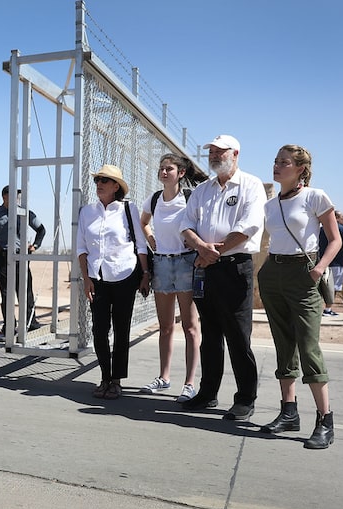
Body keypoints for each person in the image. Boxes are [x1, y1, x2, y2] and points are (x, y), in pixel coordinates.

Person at [258, 144, 339, 449]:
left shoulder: (315, 197)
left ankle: (325, 419)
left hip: (303, 274)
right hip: (273, 272)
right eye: (275, 161)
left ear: (300, 168)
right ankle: (289, 412)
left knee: (308, 346)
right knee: (283, 343)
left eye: (284, 162)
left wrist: (319, 268)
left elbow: (333, 239)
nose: (277, 166)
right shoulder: (270, 205)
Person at [179, 135, 265, 420]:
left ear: (235, 153)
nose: (214, 156)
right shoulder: (203, 190)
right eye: (211, 152)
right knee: (211, 334)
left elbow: (249, 226)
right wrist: (202, 248)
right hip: (204, 267)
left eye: (220, 151)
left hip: (234, 267)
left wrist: (214, 251)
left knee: (238, 335)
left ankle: (245, 398)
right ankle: (208, 393)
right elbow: (186, 225)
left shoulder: (251, 185)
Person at [77, 164, 150, 400]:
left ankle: (116, 380)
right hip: (96, 278)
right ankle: (104, 377)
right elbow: (81, 248)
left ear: (116, 186)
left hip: (124, 275)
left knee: (121, 329)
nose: (99, 184)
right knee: (99, 330)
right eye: (97, 179)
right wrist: (86, 279)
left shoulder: (128, 209)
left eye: (105, 180)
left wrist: (146, 274)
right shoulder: (87, 211)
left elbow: (140, 244)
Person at [138, 154, 203, 402]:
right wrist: (151, 238)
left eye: (169, 169)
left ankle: (189, 383)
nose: (164, 173)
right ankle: (163, 378)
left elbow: (200, 224)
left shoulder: (189, 198)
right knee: (165, 327)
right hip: (162, 263)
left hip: (187, 262)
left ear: (181, 173)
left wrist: (195, 242)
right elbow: (144, 223)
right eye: (162, 169)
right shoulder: (154, 199)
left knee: (189, 326)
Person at [0, 186, 45, 333]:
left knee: (26, 292)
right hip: (3, 258)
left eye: (18, 196)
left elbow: (41, 230)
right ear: (5, 196)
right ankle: (9, 326)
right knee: (6, 294)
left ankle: (31, 323)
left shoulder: (24, 213)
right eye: (13, 195)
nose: (17, 198)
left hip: (21, 257)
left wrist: (35, 246)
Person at [318, 210, 343, 316]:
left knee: (319, 287)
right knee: (333, 287)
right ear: (335, 217)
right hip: (337, 263)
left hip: (320, 263)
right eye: (342, 217)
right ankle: (328, 309)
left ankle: (318, 308)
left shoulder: (321, 230)